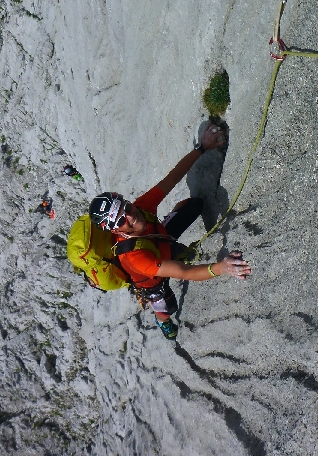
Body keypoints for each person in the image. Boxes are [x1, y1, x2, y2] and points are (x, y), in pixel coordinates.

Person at [88, 124, 252, 339]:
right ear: (114, 229)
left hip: (159, 238)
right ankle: (162, 321)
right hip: (152, 278)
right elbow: (184, 272)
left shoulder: (141, 208)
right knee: (167, 307)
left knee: (194, 205)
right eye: (121, 219)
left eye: (126, 207)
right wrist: (222, 268)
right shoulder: (135, 258)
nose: (131, 216)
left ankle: (173, 227)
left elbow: (171, 179)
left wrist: (202, 148)